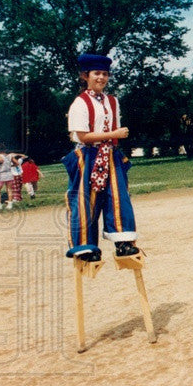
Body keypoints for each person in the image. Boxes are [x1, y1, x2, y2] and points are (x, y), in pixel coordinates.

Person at [63, 53, 139, 262]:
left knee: (117, 196)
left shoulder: (113, 102)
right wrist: (113, 135)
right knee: (85, 199)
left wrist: (112, 140)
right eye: (97, 73)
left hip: (110, 154)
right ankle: (85, 246)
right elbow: (82, 135)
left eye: (105, 74)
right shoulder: (80, 103)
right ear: (86, 75)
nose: (101, 78)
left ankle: (123, 242)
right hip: (88, 155)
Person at [0, 144, 15, 211]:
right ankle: (10, 204)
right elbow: (17, 163)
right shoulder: (10, 156)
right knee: (9, 189)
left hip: (1, 175)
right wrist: (10, 167)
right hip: (9, 173)